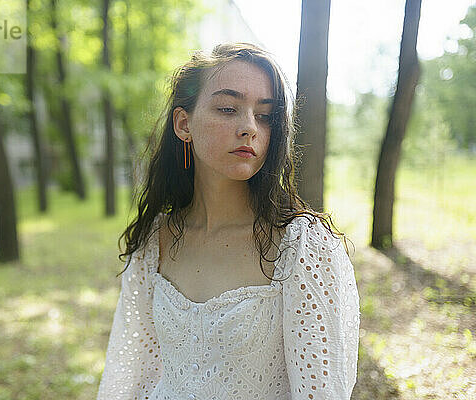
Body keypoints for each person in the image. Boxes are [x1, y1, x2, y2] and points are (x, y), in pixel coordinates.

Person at [96, 42, 360, 400]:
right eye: (227, 108)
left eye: (265, 115)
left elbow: (321, 393)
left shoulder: (303, 248)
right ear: (183, 123)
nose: (249, 127)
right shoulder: (154, 242)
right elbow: (129, 380)